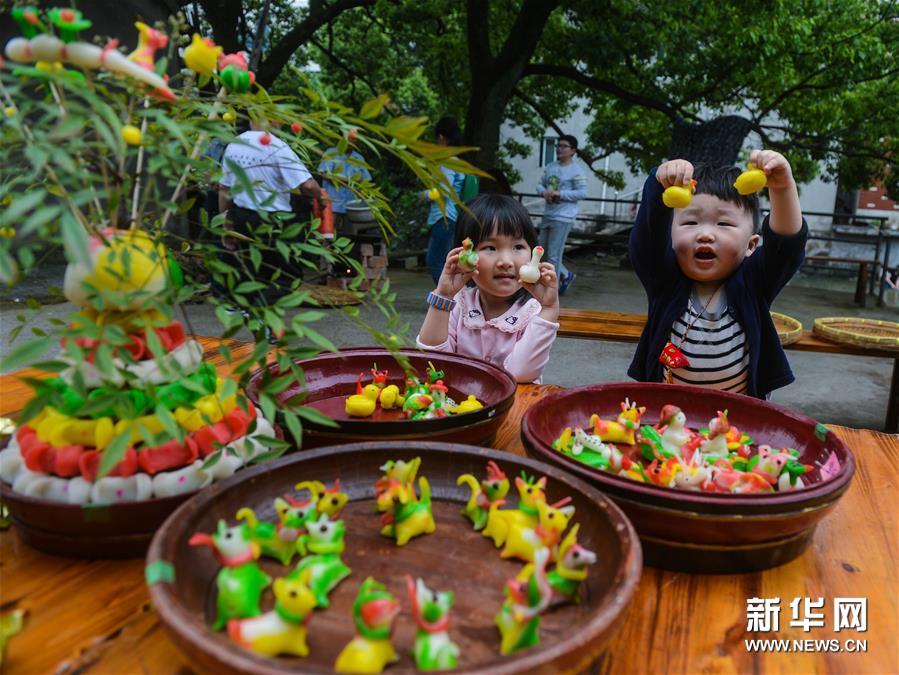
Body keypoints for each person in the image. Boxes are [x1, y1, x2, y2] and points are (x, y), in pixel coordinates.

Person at [628, 149, 807, 398]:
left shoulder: (754, 282)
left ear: (751, 245)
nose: (705, 234)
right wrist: (658, 182)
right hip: (669, 411)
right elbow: (646, 238)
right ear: (669, 237)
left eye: (723, 224)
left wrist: (783, 188)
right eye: (690, 222)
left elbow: (786, 246)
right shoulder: (664, 278)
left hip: (738, 413)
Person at [417, 194, 560, 383]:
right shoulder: (458, 305)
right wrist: (443, 296)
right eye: (490, 248)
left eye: (518, 246)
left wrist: (549, 310)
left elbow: (520, 375)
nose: (506, 261)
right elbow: (433, 361)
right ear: (464, 255)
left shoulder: (533, 313)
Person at [218, 120, 322, 305]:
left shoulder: (234, 144)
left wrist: (226, 223)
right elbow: (308, 186)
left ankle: (249, 310)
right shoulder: (277, 146)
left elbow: (224, 188)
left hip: (242, 216)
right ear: (273, 120)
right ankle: (260, 307)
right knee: (289, 274)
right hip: (274, 220)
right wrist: (320, 199)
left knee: (254, 270)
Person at [537, 134, 587, 295]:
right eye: (558, 146)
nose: (559, 149)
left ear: (573, 150)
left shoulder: (576, 171)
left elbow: (582, 192)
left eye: (563, 146)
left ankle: (553, 289)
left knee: (553, 255)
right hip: (548, 214)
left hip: (563, 217)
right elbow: (539, 185)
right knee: (540, 252)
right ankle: (565, 274)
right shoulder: (551, 167)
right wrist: (544, 192)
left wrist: (560, 194)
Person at [424, 117, 466, 284]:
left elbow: (444, 192)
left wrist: (425, 195)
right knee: (443, 261)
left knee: (435, 262)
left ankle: (448, 295)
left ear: (441, 137)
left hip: (443, 217)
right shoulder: (456, 160)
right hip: (450, 216)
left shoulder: (447, 161)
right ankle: (450, 295)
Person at [318, 147, 373, 231]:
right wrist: (350, 181)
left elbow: (365, 180)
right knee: (329, 231)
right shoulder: (331, 153)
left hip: (351, 204)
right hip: (332, 202)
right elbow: (324, 174)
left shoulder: (358, 158)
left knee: (351, 233)